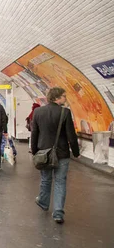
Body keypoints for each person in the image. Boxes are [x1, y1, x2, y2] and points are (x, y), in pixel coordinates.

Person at [31, 87, 80, 224]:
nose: (65, 99)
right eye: (64, 96)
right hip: (62, 153)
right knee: (60, 182)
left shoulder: (38, 112)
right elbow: (71, 135)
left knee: (46, 180)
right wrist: (76, 153)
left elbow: (34, 133)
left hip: (44, 153)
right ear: (57, 98)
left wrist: (34, 151)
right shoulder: (65, 113)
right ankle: (58, 213)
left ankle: (43, 202)